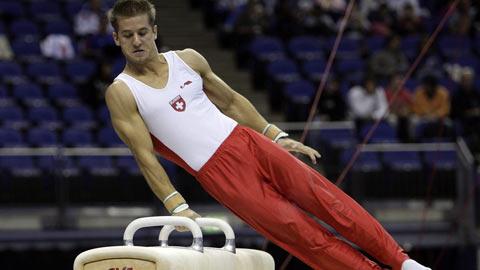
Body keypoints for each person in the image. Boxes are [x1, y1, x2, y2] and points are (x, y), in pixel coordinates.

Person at [105, 0, 430, 269]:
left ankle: (401, 261)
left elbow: (231, 101)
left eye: (143, 32)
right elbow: (144, 155)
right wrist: (176, 206)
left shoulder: (188, 60)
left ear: (155, 31)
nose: (137, 41)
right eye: (128, 35)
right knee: (301, 234)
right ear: (117, 38)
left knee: (328, 200)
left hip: (247, 141)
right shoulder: (122, 91)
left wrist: (274, 134)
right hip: (221, 174)